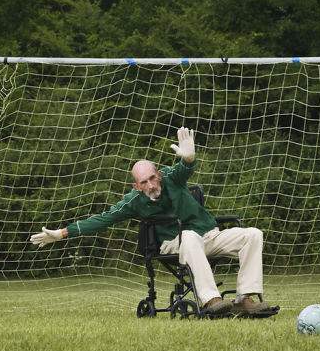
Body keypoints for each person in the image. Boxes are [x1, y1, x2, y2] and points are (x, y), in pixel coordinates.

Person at [30, 127, 273, 315]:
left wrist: (189, 159)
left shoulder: (171, 178)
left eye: (152, 179)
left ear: (158, 174)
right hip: (176, 242)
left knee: (252, 234)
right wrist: (61, 233)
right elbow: (102, 220)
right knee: (188, 235)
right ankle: (212, 301)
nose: (150, 185)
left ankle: (245, 299)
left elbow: (184, 169)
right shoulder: (133, 200)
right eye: (143, 182)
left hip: (210, 236)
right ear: (136, 186)